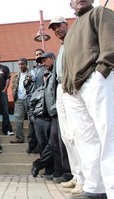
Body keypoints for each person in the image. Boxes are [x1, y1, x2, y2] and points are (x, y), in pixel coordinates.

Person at [63, 0, 114, 198]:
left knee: (108, 134)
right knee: (86, 139)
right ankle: (95, 187)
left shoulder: (100, 12)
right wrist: (67, 87)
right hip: (74, 90)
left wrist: (102, 71)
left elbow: (111, 43)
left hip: (93, 79)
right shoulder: (71, 30)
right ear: (70, 4)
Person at [48, 16, 84, 194]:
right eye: (54, 28)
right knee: (67, 135)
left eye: (59, 26)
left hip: (71, 87)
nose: (57, 30)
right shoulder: (62, 47)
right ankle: (76, 175)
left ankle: (84, 178)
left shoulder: (74, 40)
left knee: (77, 133)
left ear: (66, 24)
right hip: (60, 90)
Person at [32, 52, 72, 183]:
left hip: (58, 112)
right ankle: (59, 170)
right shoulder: (49, 76)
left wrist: (56, 108)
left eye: (45, 61)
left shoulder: (56, 73)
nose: (43, 64)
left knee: (61, 144)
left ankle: (67, 172)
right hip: (52, 114)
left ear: (53, 59)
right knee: (55, 144)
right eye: (41, 62)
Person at [11, 58, 35, 143]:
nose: (20, 66)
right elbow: (14, 86)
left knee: (31, 119)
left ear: (26, 64)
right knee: (18, 119)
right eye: (19, 64)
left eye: (22, 64)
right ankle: (19, 138)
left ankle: (31, 139)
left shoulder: (31, 73)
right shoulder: (17, 75)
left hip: (29, 99)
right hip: (19, 99)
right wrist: (14, 96)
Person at [0, 52, 14, 136]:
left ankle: (7, 130)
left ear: (0, 58)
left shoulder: (5, 68)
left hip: (2, 93)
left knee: (5, 111)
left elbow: (8, 79)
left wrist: (5, 89)